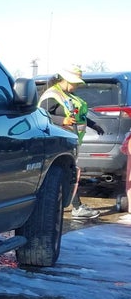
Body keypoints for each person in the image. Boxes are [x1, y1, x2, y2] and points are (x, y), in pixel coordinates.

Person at [38, 66, 105, 219]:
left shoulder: (68, 95)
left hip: (70, 142)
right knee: (69, 174)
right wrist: (62, 120)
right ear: (65, 79)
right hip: (58, 143)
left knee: (69, 173)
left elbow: (78, 117)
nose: (77, 85)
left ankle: (70, 205)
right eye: (75, 82)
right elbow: (42, 115)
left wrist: (93, 125)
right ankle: (77, 207)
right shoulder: (52, 95)